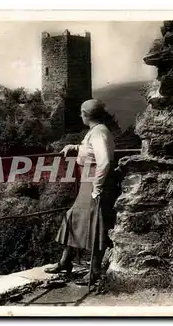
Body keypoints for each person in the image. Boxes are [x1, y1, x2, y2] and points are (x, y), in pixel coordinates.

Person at [44, 99, 117, 286]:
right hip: (88, 182)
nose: (80, 116)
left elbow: (105, 161)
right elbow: (90, 151)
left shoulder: (99, 132)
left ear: (86, 115)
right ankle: (65, 261)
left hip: (94, 183)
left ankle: (94, 271)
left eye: (81, 113)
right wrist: (75, 148)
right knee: (72, 217)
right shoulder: (95, 131)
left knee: (95, 224)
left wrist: (97, 187)